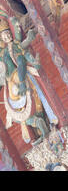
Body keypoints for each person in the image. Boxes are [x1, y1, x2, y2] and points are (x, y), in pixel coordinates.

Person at [0, 10, 52, 144]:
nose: (7, 37)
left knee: (34, 98)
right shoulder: (4, 52)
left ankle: (41, 123)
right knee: (16, 111)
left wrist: (11, 18)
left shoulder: (17, 44)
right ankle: (38, 125)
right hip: (11, 79)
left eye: (7, 34)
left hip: (21, 75)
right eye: (4, 36)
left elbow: (23, 57)